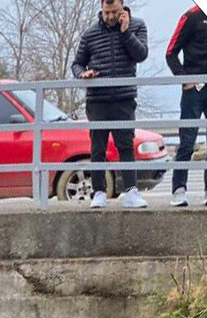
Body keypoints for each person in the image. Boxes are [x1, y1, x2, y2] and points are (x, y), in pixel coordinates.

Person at [72, 0, 149, 210]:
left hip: (124, 97)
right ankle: (98, 192)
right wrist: (82, 74)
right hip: (98, 99)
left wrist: (125, 33)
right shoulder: (90, 33)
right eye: (106, 12)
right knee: (97, 147)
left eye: (114, 12)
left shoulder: (137, 26)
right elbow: (77, 63)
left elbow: (141, 54)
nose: (110, 16)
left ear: (122, 8)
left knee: (125, 145)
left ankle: (131, 191)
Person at [166, 5, 207, 207]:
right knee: (187, 140)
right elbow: (171, 52)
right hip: (194, 90)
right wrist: (184, 78)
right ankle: (178, 190)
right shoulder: (191, 16)